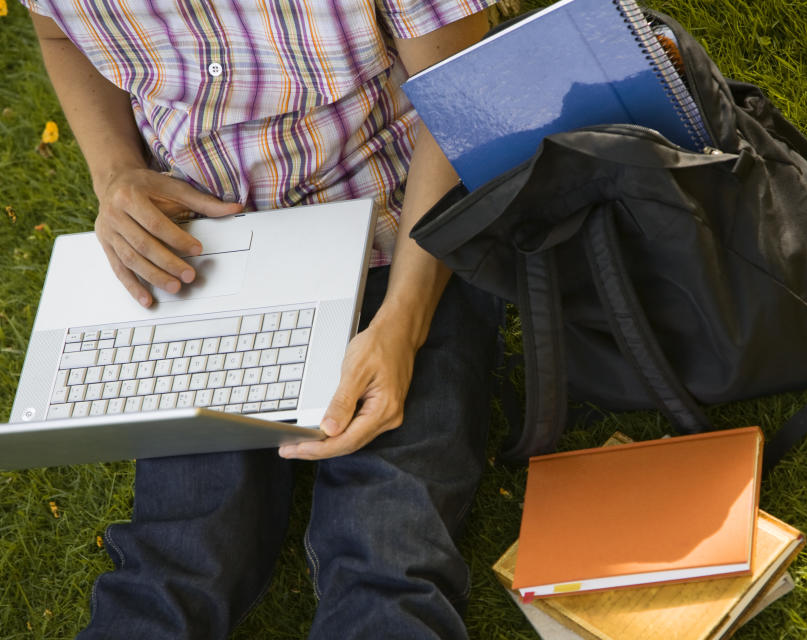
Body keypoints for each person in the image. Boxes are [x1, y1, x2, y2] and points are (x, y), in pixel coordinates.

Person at [23, 0, 503, 637]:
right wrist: (116, 172)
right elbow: (58, 29)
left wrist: (401, 327)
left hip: (401, 236)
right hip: (206, 264)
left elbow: (461, 103)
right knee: (176, 556)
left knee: (389, 543)